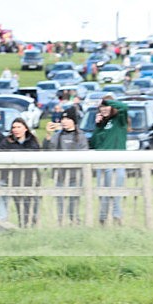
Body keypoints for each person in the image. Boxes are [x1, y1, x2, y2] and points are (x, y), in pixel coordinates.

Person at [43, 107, 90, 225]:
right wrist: (48, 135)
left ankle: (74, 222)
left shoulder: (81, 136)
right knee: (60, 201)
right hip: (60, 175)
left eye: (67, 118)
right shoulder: (57, 135)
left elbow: (84, 154)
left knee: (74, 202)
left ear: (73, 120)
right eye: (62, 118)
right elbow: (48, 151)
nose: (64, 121)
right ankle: (61, 223)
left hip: (76, 175)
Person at [90, 96, 129, 225]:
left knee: (116, 191)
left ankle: (117, 217)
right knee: (103, 192)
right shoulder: (102, 123)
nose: (104, 109)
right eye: (101, 107)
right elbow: (94, 143)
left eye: (106, 106)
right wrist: (98, 126)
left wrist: (107, 101)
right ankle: (103, 218)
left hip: (117, 162)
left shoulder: (120, 120)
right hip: (102, 163)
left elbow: (124, 107)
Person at [0, 118, 41, 227]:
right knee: (20, 207)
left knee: (33, 206)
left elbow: (36, 154)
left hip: (31, 179)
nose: (16, 130)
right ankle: (23, 226)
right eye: (14, 127)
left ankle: (32, 226)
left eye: (18, 127)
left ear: (25, 128)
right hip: (15, 179)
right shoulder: (7, 142)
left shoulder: (32, 141)